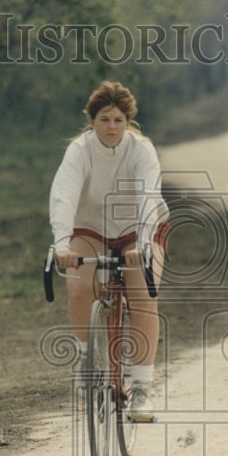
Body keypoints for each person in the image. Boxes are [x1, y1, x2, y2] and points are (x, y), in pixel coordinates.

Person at [49, 81, 169, 421]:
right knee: (78, 285)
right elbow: (64, 197)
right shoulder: (79, 150)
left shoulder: (141, 149)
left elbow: (148, 198)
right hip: (90, 227)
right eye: (104, 119)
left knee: (144, 291)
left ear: (128, 121)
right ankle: (86, 362)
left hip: (138, 228)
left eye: (118, 120)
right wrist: (61, 245)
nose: (111, 127)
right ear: (91, 121)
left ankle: (142, 390)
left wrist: (143, 245)